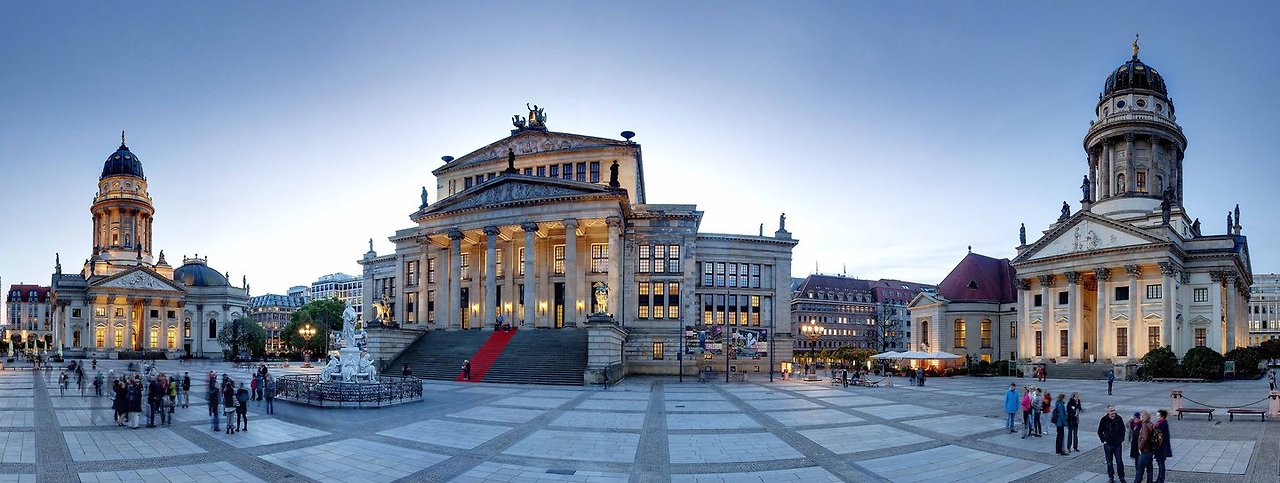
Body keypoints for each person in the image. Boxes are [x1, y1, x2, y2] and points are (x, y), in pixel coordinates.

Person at [1098, 405, 1128, 483]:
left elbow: (1123, 430)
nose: (1113, 412)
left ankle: (1121, 477)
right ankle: (1111, 477)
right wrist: (1103, 440)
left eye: (1114, 410)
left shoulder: (1119, 418)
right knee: (1109, 462)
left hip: (1117, 444)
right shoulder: (1104, 419)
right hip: (1108, 444)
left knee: (1119, 461)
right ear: (1108, 412)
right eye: (1111, 411)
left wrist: (1121, 439)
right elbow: (1099, 431)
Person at [1134, 411, 1156, 483]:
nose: (1140, 417)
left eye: (1141, 416)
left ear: (1144, 417)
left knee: (1139, 472)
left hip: (1145, 451)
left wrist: (1140, 448)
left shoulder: (1144, 425)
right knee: (1150, 470)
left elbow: (1145, 438)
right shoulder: (1151, 424)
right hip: (1150, 450)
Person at [1154, 409, 1172, 483]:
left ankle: (1161, 480)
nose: (1157, 417)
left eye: (1158, 415)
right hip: (1160, 448)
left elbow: (1159, 436)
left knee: (1161, 464)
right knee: (1160, 464)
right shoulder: (1160, 423)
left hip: (1162, 448)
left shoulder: (1163, 424)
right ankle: (1159, 479)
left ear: (1162, 416)